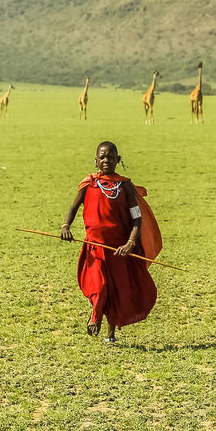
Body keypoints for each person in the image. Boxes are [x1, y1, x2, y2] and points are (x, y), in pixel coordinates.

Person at [61, 141, 160, 343]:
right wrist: (65, 226)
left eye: (111, 157)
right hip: (94, 247)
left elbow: (136, 218)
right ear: (95, 160)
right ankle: (95, 315)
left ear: (118, 160)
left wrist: (131, 242)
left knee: (115, 291)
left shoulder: (125, 186)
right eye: (103, 157)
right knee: (99, 285)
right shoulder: (88, 183)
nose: (106, 161)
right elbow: (74, 207)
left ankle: (110, 334)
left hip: (118, 250)